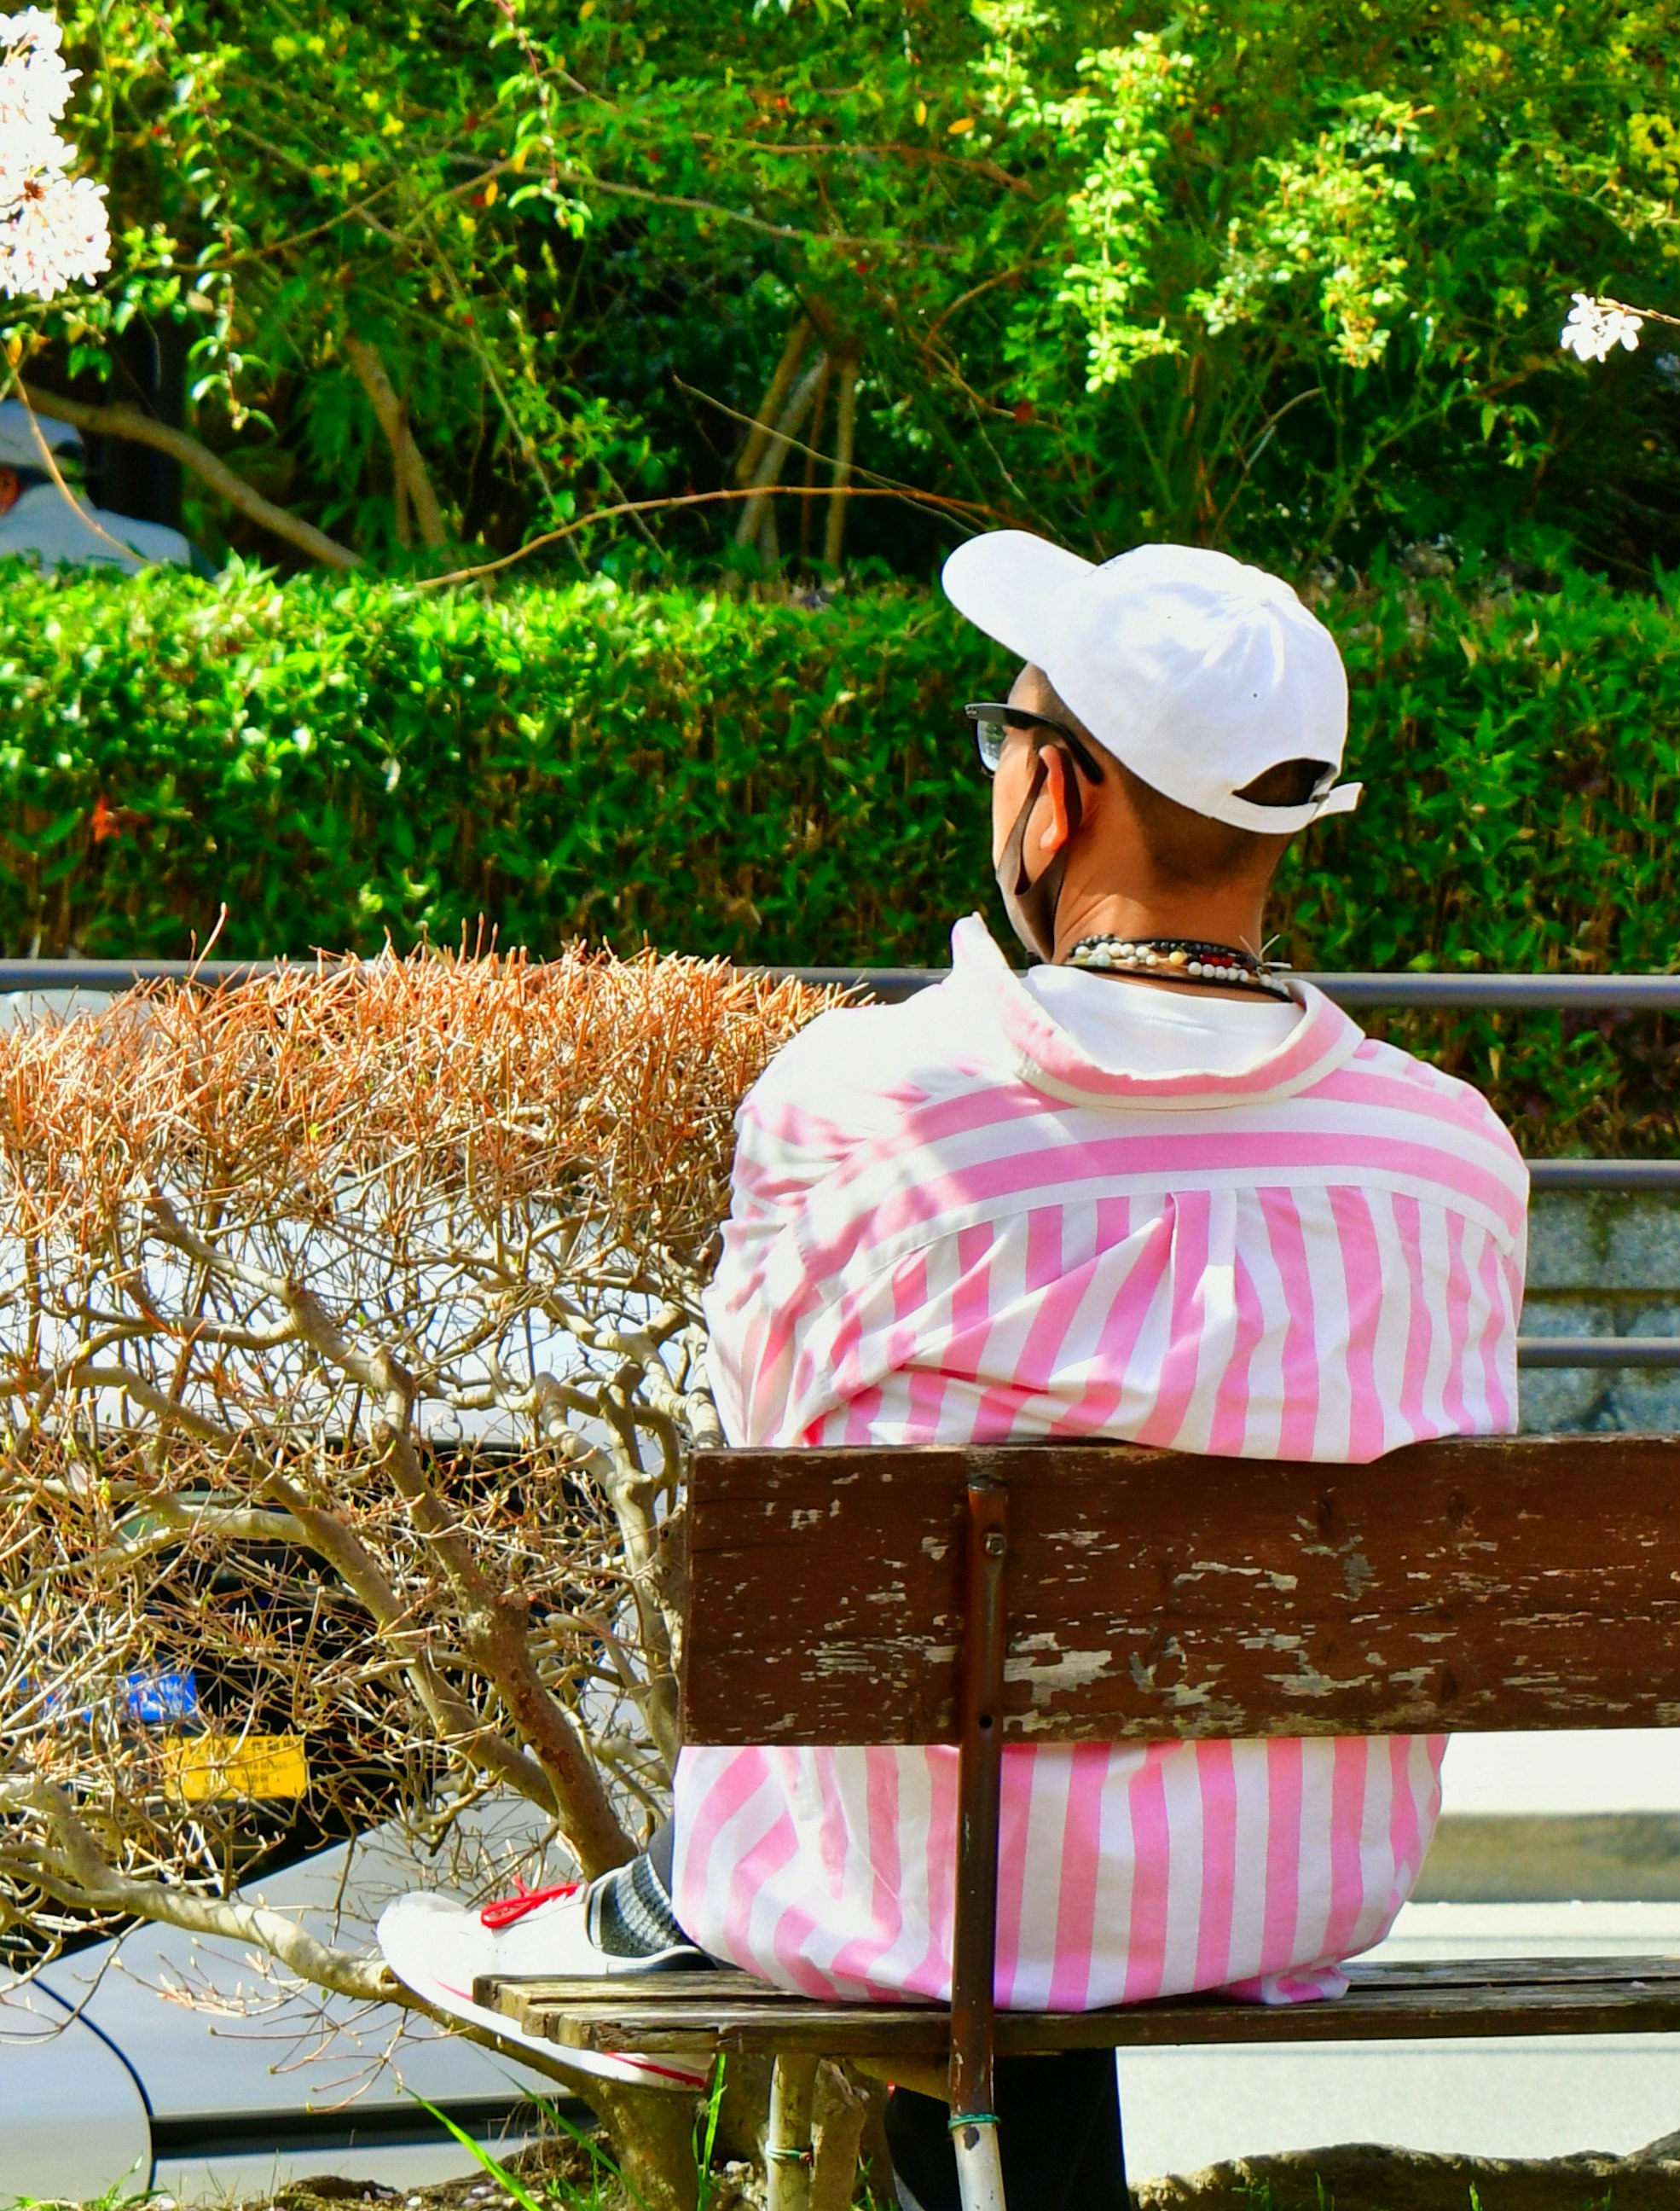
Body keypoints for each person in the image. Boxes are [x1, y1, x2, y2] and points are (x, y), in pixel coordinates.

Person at [385, 533, 1528, 2211]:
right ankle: (668, 1906)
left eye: (1007, 736)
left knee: (934, 1758)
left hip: (920, 1892)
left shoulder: (872, 1102)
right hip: (1283, 1891)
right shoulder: (1446, 1152)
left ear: (1056, 794)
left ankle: (662, 1914)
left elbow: (774, 1467)